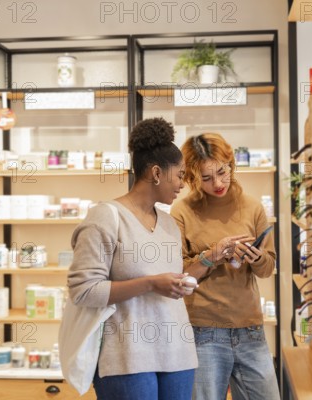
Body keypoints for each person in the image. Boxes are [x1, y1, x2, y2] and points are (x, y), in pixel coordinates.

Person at [67, 117, 198, 400]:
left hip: (178, 354)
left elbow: (167, 284)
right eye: (180, 175)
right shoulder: (105, 216)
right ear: (156, 173)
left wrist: (187, 278)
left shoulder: (169, 224)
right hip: (127, 358)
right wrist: (150, 284)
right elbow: (83, 290)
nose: (183, 184)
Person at [170, 133, 280, 400]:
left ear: (231, 163)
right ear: (192, 178)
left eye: (222, 172)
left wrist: (255, 257)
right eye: (206, 178)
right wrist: (212, 255)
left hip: (251, 328)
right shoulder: (182, 212)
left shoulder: (253, 207)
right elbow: (179, 277)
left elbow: (268, 268)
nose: (217, 183)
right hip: (204, 332)